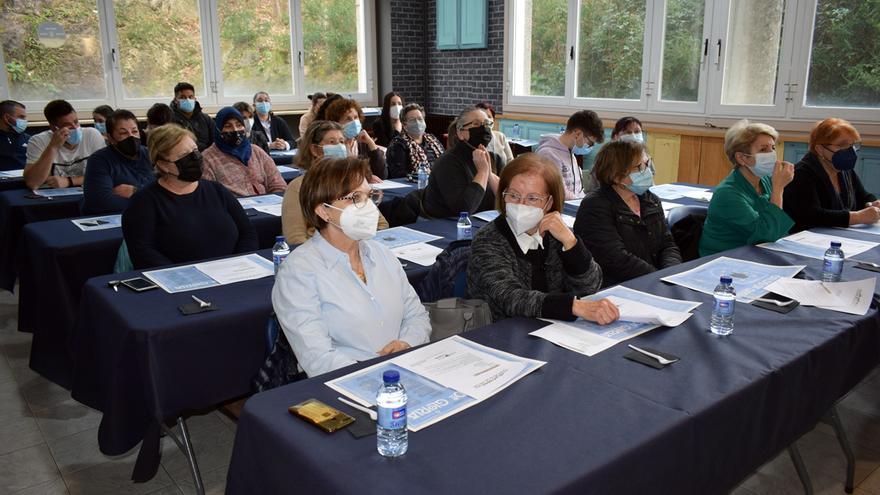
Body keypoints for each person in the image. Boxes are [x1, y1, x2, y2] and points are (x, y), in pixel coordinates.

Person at [271, 156, 431, 377]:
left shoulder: (382, 254)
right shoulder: (297, 272)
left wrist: (406, 342)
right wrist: (373, 374)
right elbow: (317, 358)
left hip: (403, 369)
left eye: (368, 196)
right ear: (323, 211)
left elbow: (417, 316)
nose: (367, 206)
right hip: (344, 383)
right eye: (355, 198)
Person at [467, 153, 616, 324]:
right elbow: (509, 298)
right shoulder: (488, 239)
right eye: (513, 195)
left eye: (532, 198)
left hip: (554, 330)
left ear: (549, 202)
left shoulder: (556, 234)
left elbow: (590, 286)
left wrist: (571, 243)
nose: (520, 204)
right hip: (502, 334)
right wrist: (572, 306)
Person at [122, 124, 257, 269]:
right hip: (182, 283)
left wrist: (240, 264)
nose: (194, 158)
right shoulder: (143, 203)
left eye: (195, 151)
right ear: (163, 165)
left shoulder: (216, 190)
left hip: (234, 273)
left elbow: (247, 232)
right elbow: (143, 252)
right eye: (183, 156)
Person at [574, 141, 681, 287]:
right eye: (639, 167)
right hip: (617, 286)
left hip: (654, 280)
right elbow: (615, 259)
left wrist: (670, 274)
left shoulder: (650, 199)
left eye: (647, 163)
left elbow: (667, 244)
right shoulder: (595, 206)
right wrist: (657, 278)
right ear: (617, 176)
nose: (647, 170)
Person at [282, 120, 390, 244]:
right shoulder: (299, 187)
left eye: (342, 142)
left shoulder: (355, 182)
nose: (339, 146)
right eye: (332, 142)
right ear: (315, 150)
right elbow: (295, 238)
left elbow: (381, 223)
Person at [699, 120, 795, 256]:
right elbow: (765, 235)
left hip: (756, 254)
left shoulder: (765, 179)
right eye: (763, 149)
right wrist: (778, 189)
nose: (772, 154)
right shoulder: (727, 194)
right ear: (742, 158)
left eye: (772, 148)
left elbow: (777, 231)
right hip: (725, 259)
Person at [783, 118, 879, 233]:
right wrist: (857, 217)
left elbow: (864, 197)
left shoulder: (844, 170)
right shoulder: (801, 174)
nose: (850, 150)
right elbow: (812, 215)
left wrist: (873, 204)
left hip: (838, 235)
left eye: (852, 145)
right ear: (819, 149)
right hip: (808, 238)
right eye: (843, 145)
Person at [422, 107, 502, 218]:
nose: (484, 128)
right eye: (476, 124)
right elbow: (464, 210)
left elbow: (507, 199)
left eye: (487, 124)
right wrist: (482, 173)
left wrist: (489, 173)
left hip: (484, 223)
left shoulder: (494, 158)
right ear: (461, 133)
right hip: (446, 225)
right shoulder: (448, 162)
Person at [201, 107, 286, 197]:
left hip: (268, 206)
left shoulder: (257, 152)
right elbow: (209, 197)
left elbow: (278, 185)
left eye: (239, 125)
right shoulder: (208, 159)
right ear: (218, 129)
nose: (235, 130)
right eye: (228, 126)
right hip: (232, 209)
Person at [82, 109, 155, 214]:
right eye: (123, 133)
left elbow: (169, 191)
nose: (131, 136)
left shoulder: (151, 154)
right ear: (110, 138)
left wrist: (136, 192)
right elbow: (101, 202)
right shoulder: (99, 160)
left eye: (134, 131)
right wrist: (152, 200)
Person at [24, 99, 105, 189]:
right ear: (54, 128)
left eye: (76, 122)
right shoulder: (38, 141)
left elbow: (105, 174)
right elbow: (33, 183)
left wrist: (70, 181)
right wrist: (52, 147)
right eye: (68, 125)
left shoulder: (92, 134)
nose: (75, 127)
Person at [537, 110, 604, 200]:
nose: (590, 147)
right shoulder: (549, 154)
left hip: (575, 202)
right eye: (590, 143)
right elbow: (560, 192)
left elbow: (577, 188)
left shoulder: (569, 152)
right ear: (577, 134)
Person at [324, 97, 387, 180]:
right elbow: (340, 177)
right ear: (336, 122)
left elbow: (382, 175)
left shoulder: (363, 144)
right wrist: (366, 178)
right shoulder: (333, 147)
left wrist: (372, 144)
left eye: (356, 117)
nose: (354, 122)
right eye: (348, 119)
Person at [385, 103, 445, 178]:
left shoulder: (433, 140)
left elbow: (445, 162)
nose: (417, 122)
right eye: (412, 120)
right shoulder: (398, 144)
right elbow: (399, 174)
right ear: (404, 124)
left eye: (420, 119)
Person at [170, 82, 214, 151]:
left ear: (195, 98)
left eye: (190, 97)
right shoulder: (170, 120)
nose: (187, 100)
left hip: (209, 156)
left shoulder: (205, 119)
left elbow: (216, 139)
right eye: (182, 97)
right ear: (175, 100)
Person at [475, 101, 514, 167]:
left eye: (489, 116)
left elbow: (511, 161)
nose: (486, 119)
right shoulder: (472, 138)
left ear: (493, 119)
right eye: (483, 117)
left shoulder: (500, 136)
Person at [0, 100, 30, 171]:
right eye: (21, 117)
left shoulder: (28, 139)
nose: (25, 121)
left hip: (27, 178)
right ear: (7, 118)